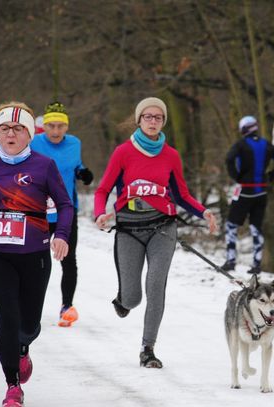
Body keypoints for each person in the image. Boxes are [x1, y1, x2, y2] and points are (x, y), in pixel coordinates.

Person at [0, 101, 73, 407]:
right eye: (5, 128)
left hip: (34, 254)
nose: (10, 134)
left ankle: (23, 348)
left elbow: (65, 204)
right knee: (7, 319)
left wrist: (60, 235)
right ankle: (13, 386)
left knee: (29, 325)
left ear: (30, 134)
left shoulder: (43, 165)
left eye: (18, 128)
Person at [94, 97, 217, 368]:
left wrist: (203, 211)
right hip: (129, 229)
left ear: (163, 122)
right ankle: (124, 299)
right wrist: (100, 212)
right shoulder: (123, 152)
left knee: (156, 285)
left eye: (158, 117)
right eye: (147, 117)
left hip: (163, 226)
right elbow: (103, 189)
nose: (152, 121)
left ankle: (147, 349)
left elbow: (182, 194)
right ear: (139, 120)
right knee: (134, 297)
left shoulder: (171, 155)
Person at [31, 101, 94, 327]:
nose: (56, 131)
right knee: (36, 261)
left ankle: (67, 307)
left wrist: (83, 172)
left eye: (60, 126)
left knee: (68, 260)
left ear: (67, 127)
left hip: (66, 211)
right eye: (51, 126)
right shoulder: (33, 143)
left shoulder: (74, 144)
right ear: (44, 127)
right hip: (36, 212)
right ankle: (29, 308)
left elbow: (76, 165)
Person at [220, 115, 274, 274]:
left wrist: (236, 176)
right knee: (256, 227)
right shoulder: (266, 144)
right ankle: (257, 264)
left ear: (243, 129)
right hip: (261, 191)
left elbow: (229, 159)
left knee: (231, 225)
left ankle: (231, 261)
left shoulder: (241, 144)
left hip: (244, 191)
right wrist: (271, 176)